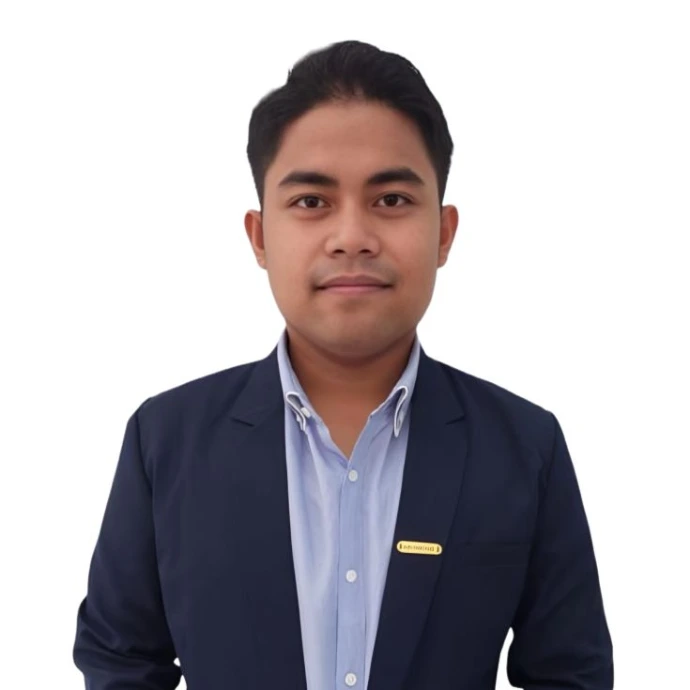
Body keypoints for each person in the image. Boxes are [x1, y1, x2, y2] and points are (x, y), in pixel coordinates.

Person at [73, 40, 614, 690]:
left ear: (443, 233)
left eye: (391, 200)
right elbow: (121, 659)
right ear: (260, 236)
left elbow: (570, 674)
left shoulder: (524, 447)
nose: (352, 236)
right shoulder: (166, 440)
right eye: (311, 201)